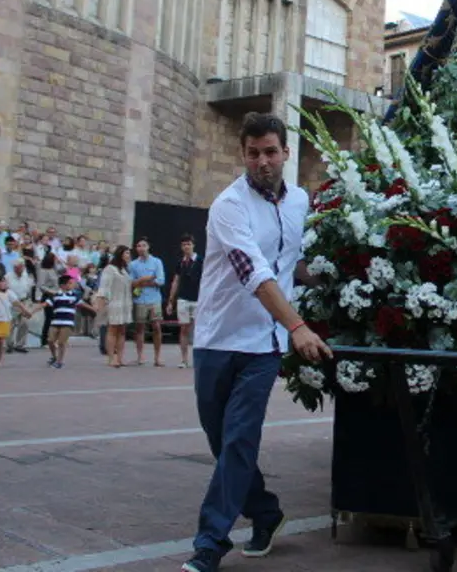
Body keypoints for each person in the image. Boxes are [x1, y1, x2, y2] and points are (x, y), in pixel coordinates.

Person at [181, 113, 331, 572]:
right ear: (243, 155)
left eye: (270, 151)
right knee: (222, 441)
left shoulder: (301, 201)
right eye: (253, 153)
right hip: (217, 338)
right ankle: (266, 512)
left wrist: (335, 280)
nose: (262, 160)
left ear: (286, 152)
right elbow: (254, 273)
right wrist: (299, 326)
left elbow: (294, 264)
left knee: (240, 440)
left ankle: (210, 543)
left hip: (263, 346)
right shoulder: (229, 205)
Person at [167, 233, 202, 369]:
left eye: (189, 244)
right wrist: (171, 300)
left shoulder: (200, 261)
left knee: (198, 330)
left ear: (193, 245)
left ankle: (198, 359)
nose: (186, 247)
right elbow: (176, 281)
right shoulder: (180, 262)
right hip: (183, 298)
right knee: (184, 328)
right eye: (184, 244)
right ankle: (184, 359)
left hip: (198, 299)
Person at [129, 237, 165, 366]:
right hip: (140, 299)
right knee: (140, 328)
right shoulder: (133, 264)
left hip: (154, 299)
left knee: (156, 326)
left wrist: (143, 281)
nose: (141, 248)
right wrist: (147, 279)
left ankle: (157, 357)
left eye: (143, 245)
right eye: (138, 246)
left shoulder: (156, 262)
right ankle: (140, 356)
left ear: (148, 247)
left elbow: (160, 281)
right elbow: (132, 282)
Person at [98, 246, 133, 368]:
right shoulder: (110, 269)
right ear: (120, 254)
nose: (129, 256)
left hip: (125, 303)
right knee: (112, 330)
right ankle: (111, 358)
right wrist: (102, 303)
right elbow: (103, 287)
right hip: (114, 303)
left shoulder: (124, 270)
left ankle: (120, 357)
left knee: (122, 331)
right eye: (127, 253)